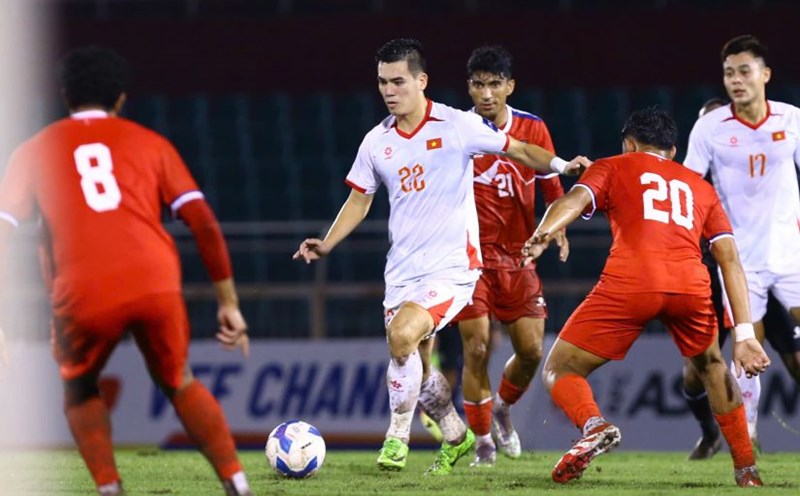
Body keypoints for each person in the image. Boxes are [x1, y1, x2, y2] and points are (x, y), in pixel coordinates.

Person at [293, 38, 589, 475]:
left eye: (398, 81)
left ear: (421, 80)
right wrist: (328, 241)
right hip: (403, 270)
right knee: (411, 355)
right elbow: (359, 199)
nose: (389, 90)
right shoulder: (376, 142)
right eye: (382, 82)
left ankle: (396, 438)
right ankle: (456, 434)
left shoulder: (455, 125)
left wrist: (563, 167)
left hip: (455, 268)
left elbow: (521, 150)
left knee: (403, 338)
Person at [0, 47, 252, 496]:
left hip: (81, 287)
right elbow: (205, 223)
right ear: (120, 98)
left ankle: (109, 487)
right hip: (155, 280)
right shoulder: (151, 143)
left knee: (79, 386)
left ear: (64, 95)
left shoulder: (32, 152)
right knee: (179, 381)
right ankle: (236, 481)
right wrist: (228, 303)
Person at [522, 106, 771, 487]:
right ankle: (747, 471)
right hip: (690, 284)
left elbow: (570, 202)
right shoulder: (700, 187)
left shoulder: (614, 165)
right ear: (673, 151)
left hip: (632, 281)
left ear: (629, 143)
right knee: (712, 366)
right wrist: (745, 335)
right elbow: (729, 260)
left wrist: (543, 233)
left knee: (561, 368)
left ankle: (594, 426)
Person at [683, 34, 800, 454]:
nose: (735, 79)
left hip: (793, 257)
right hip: (738, 261)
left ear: (765, 75)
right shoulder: (710, 127)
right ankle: (745, 436)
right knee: (746, 346)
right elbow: (690, 189)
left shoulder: (791, 119)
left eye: (744, 71)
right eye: (729, 72)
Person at [451, 45, 567, 467]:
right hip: (470, 258)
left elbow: (551, 184)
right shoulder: (457, 128)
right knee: (477, 347)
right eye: (478, 84)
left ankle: (500, 408)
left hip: (519, 257)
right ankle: (483, 444)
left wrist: (556, 228)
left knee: (533, 350)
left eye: (494, 84)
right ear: (470, 87)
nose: (486, 93)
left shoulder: (533, 129)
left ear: (509, 86)